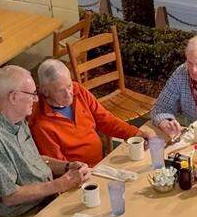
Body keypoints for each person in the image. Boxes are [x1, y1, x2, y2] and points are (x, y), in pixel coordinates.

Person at [0, 65, 92, 217]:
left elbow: (34, 160)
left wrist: (67, 166)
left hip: (44, 203)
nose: (36, 99)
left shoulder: (15, 118)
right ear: (13, 97)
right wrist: (60, 184)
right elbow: (10, 196)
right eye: (32, 94)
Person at [29, 59, 174, 168]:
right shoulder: (40, 124)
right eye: (61, 91)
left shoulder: (78, 90)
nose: (69, 94)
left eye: (69, 86)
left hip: (102, 162)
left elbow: (105, 120)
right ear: (44, 91)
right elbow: (60, 167)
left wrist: (136, 134)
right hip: (81, 175)